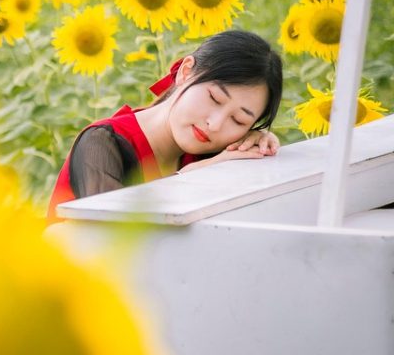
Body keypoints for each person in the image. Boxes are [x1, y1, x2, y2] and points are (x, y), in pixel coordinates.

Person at [47, 29, 283, 223]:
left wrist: (252, 144)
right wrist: (186, 179)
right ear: (186, 72)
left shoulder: (213, 153)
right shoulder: (102, 143)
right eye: (214, 98)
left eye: (238, 120)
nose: (215, 124)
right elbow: (114, 237)